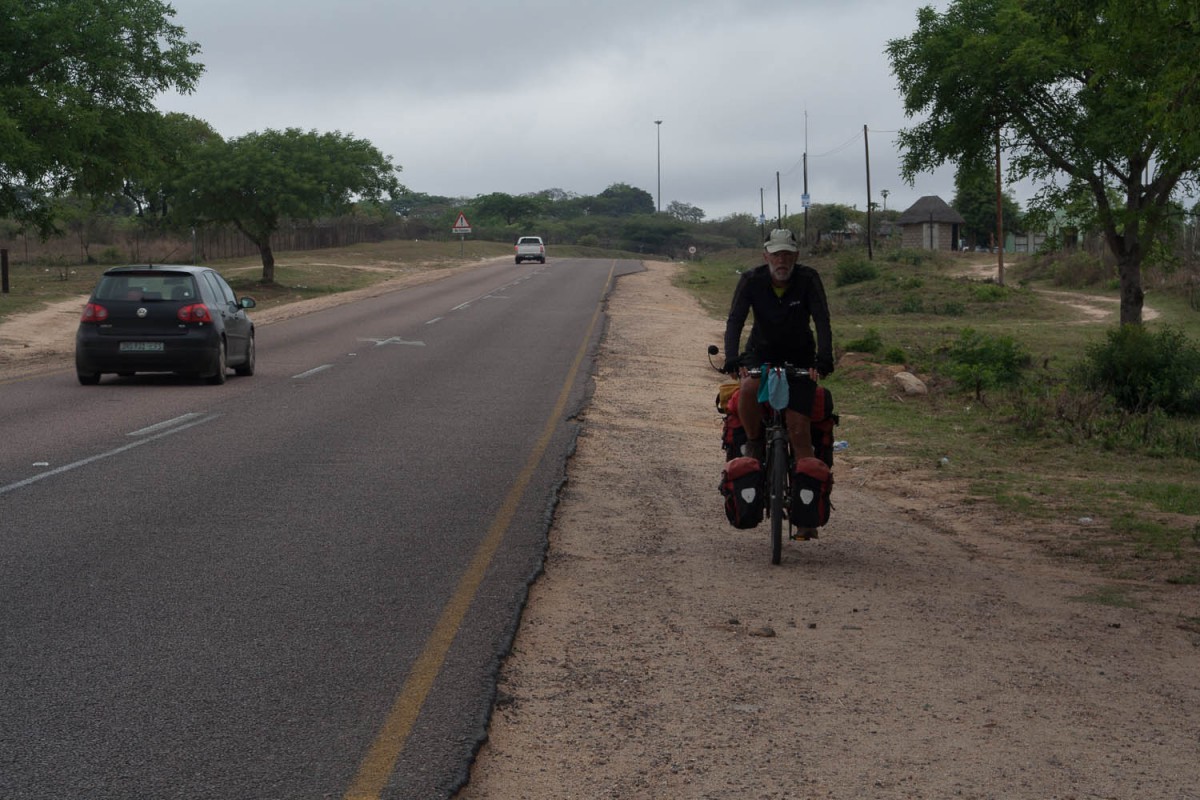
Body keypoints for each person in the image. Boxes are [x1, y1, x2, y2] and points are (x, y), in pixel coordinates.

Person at [722, 228, 833, 462]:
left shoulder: (808, 279)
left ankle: (803, 485)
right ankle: (754, 441)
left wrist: (823, 359)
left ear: (796, 256)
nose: (781, 261)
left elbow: (822, 320)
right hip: (760, 352)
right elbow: (735, 320)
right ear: (766, 256)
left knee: (798, 427)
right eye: (776, 255)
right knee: (748, 390)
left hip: (801, 356)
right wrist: (732, 358)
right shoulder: (751, 280)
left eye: (787, 254)